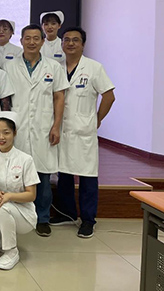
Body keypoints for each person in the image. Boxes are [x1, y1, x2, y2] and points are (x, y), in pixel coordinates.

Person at [4, 24, 69, 237]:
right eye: (27, 38)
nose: (31, 42)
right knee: (16, 174)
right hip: (18, 127)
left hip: (44, 128)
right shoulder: (10, 66)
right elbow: (5, 99)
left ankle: (42, 218)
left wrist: (56, 125)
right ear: (21, 41)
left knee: (43, 176)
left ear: (42, 41)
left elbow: (59, 97)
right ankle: (15, 216)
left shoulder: (54, 67)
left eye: (36, 38)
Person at [51, 27, 115, 238]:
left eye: (75, 40)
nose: (70, 43)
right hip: (62, 130)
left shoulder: (94, 68)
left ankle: (88, 220)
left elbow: (109, 96)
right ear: (62, 44)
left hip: (83, 131)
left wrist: (97, 119)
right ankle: (67, 213)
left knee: (87, 176)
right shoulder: (57, 68)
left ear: (83, 44)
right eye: (67, 40)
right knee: (64, 174)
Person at [0, 112, 39, 270]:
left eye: (6, 132)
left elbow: (31, 195)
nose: (1, 137)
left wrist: (9, 196)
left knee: (2, 206)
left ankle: (11, 251)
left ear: (14, 133)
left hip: (22, 214)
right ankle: (4, 238)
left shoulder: (25, 159)